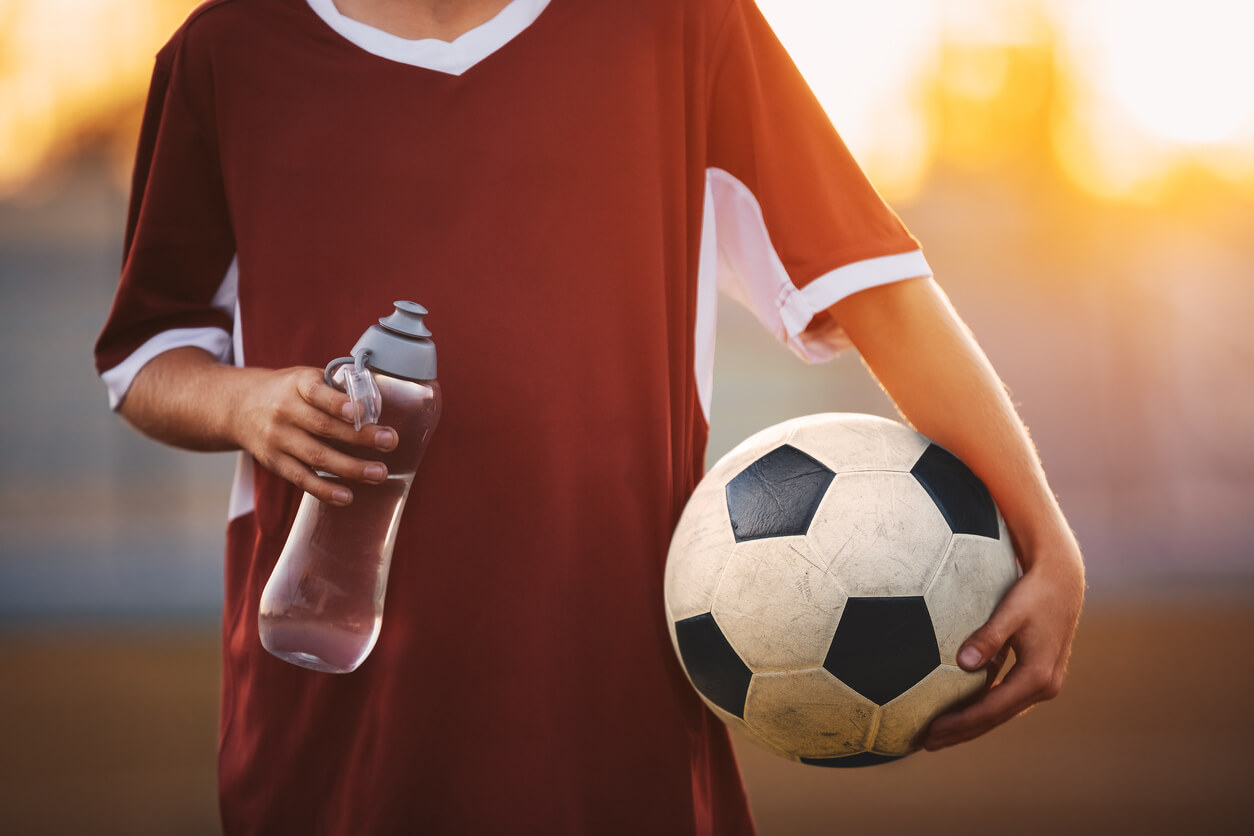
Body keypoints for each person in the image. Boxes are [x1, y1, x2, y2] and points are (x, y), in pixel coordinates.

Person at [95, 0, 1085, 833]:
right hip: (328, 731)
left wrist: (1045, 540)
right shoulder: (226, 54)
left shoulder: (679, 26)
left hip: (614, 731)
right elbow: (145, 358)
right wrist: (244, 400)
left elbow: (877, 289)